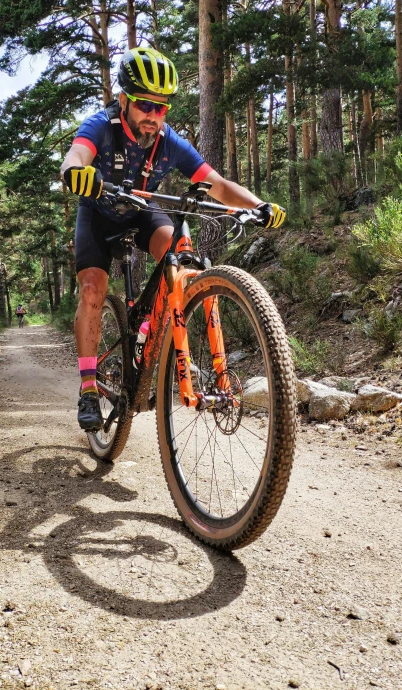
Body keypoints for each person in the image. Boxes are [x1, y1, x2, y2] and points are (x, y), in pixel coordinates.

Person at [61, 46, 286, 432]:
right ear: (123, 101)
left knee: (180, 253)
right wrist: (75, 172)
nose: (153, 115)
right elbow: (75, 155)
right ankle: (87, 388)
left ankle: (153, 332)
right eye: (145, 105)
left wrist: (258, 204)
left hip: (142, 209)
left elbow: (217, 184)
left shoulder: (169, 141)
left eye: (161, 107)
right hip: (98, 212)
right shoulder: (102, 125)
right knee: (93, 290)